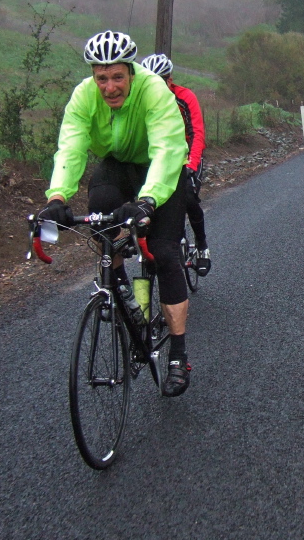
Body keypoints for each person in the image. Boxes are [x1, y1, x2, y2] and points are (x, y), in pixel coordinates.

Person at [36, 30, 193, 397]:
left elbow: (169, 148)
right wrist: (57, 196)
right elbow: (71, 147)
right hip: (117, 167)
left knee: (166, 254)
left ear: (131, 72)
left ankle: (178, 356)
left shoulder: (153, 89)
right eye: (101, 77)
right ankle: (121, 290)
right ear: (93, 76)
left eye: (117, 76)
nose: (109, 86)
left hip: (161, 171)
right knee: (100, 218)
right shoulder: (83, 96)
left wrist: (148, 201)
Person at [140, 52, 211, 276]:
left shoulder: (184, 96)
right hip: (159, 156)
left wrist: (191, 165)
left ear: (169, 79)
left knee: (188, 196)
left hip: (187, 154)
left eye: (161, 80)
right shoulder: (142, 100)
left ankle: (202, 247)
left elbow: (197, 133)